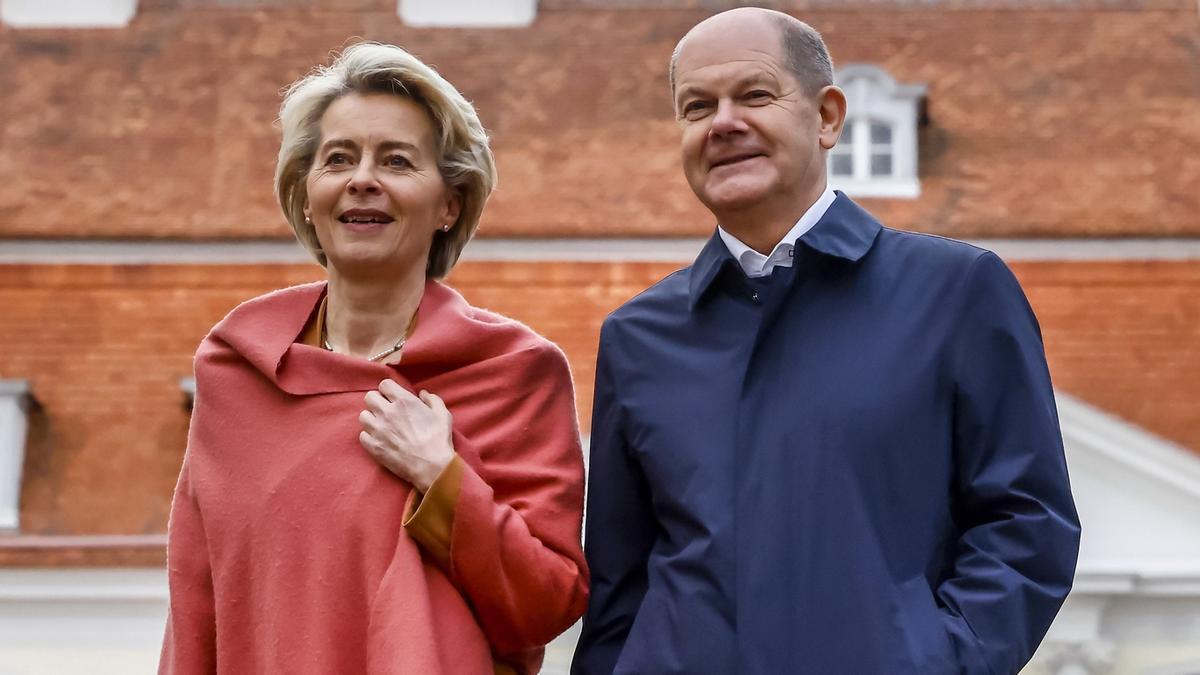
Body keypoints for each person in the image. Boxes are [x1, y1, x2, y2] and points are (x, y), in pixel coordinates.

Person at [572, 8, 1080, 675]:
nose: (723, 122)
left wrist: (935, 661)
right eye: (697, 107)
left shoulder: (957, 291)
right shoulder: (638, 335)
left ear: (828, 117)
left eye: (755, 94)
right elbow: (618, 586)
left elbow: (1027, 525)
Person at [160, 43, 588, 675]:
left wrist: (440, 477)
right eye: (338, 158)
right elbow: (196, 604)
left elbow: (546, 604)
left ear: (449, 204)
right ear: (307, 194)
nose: (363, 178)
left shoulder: (514, 369)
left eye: (396, 160)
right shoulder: (236, 368)